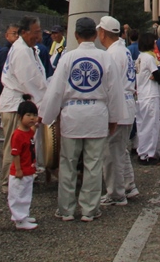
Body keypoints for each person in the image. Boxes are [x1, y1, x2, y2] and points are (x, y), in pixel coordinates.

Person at [40, 17, 124, 223]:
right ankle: (89, 209)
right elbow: (115, 91)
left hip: (72, 114)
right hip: (97, 113)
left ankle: (66, 208)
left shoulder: (68, 58)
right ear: (95, 35)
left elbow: (56, 90)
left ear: (76, 35)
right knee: (93, 164)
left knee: (68, 162)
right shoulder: (105, 58)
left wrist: (47, 116)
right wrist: (115, 118)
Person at [0, 16, 52, 191]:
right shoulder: (21, 50)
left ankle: (24, 176)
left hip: (23, 101)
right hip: (16, 105)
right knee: (14, 145)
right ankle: (9, 181)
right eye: (35, 32)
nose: (38, 35)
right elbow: (31, 80)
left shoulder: (28, 49)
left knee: (26, 144)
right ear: (24, 32)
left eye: (39, 32)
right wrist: (45, 102)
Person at [98, 15, 140, 207]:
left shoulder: (112, 54)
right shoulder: (122, 51)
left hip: (118, 104)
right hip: (128, 103)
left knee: (112, 152)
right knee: (120, 149)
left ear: (102, 33)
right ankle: (128, 185)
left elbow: (109, 84)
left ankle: (116, 193)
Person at [8, 98, 41, 230]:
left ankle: (24, 215)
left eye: (34, 115)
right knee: (18, 194)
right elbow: (15, 153)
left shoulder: (29, 132)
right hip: (20, 170)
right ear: (20, 117)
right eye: (28, 115)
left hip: (29, 168)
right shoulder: (17, 135)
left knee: (26, 193)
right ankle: (19, 219)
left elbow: (34, 127)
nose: (32, 118)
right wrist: (18, 169)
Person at [135, 29, 160, 164]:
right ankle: (149, 154)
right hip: (150, 94)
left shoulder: (139, 57)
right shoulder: (149, 58)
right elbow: (156, 74)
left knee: (142, 125)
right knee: (151, 125)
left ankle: (142, 151)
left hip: (141, 94)